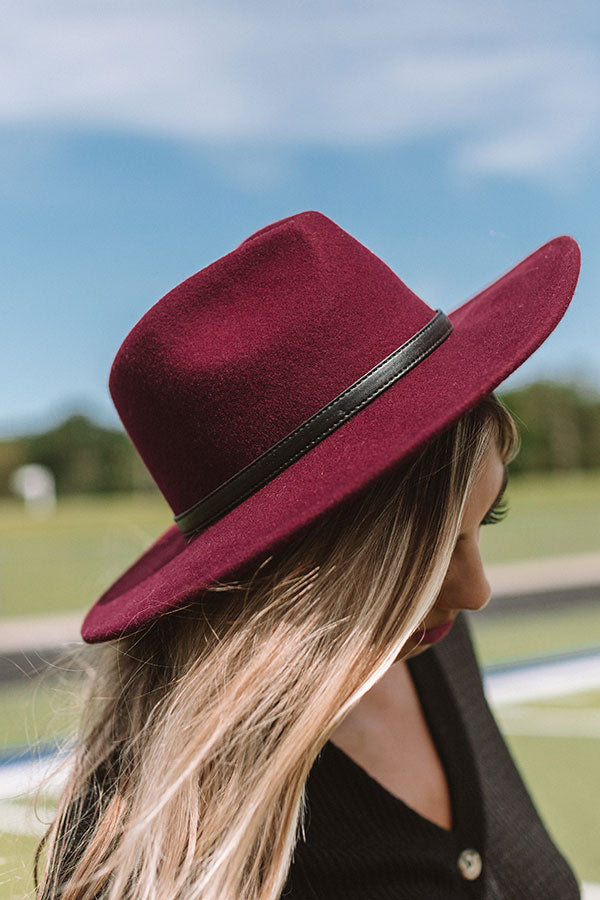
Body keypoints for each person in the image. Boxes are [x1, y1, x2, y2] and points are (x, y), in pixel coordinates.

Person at [35, 212, 582, 899]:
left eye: (486, 520)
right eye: (428, 555)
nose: (475, 594)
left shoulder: (431, 642)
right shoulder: (153, 851)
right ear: (289, 578)